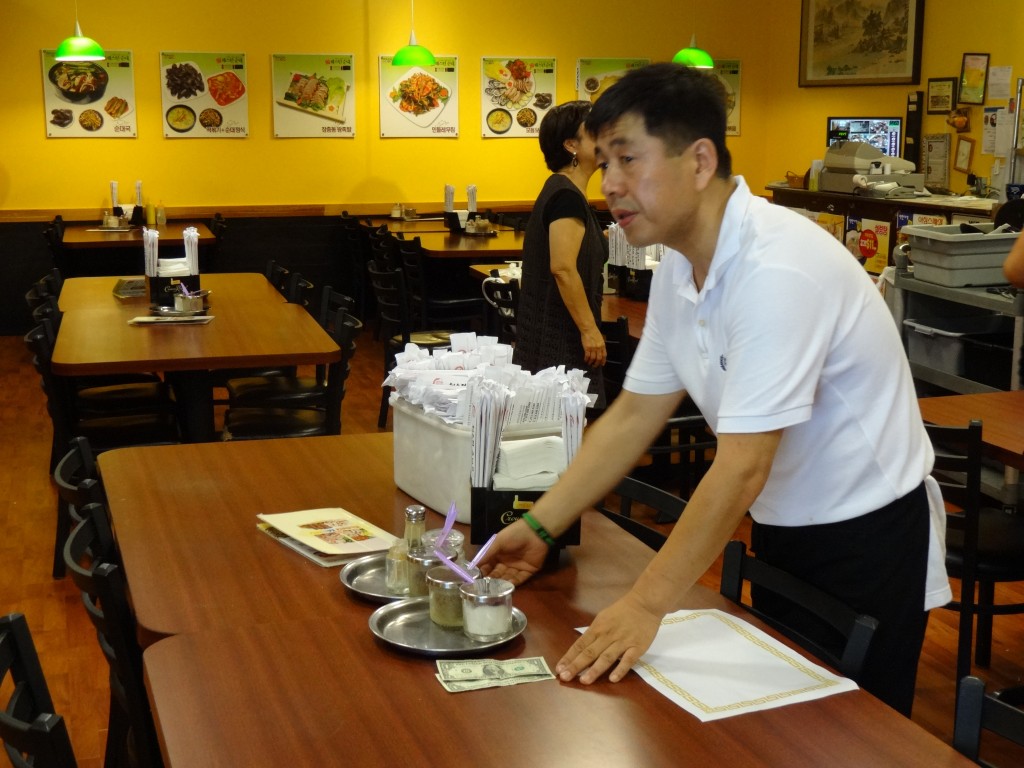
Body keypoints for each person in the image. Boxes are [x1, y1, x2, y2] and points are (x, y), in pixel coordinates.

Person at [480, 62, 951, 717]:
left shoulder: (777, 268)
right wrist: (540, 522)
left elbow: (742, 465)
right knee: (779, 725)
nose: (609, 185)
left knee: (852, 737)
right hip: (784, 526)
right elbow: (633, 415)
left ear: (700, 161)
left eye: (627, 159)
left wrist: (646, 604)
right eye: (604, 161)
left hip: (868, 535)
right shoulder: (683, 264)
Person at [513, 100, 610, 406]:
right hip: (561, 337)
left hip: (553, 331)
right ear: (571, 145)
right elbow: (563, 268)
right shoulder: (566, 195)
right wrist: (590, 330)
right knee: (569, 434)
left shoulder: (564, 191)